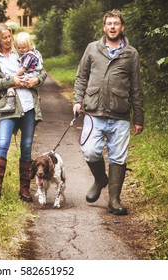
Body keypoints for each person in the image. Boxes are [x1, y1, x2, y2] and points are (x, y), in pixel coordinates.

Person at [72, 9, 144, 215]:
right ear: (104, 27)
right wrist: (78, 100)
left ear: (122, 27)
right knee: (89, 150)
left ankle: (114, 200)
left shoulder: (131, 54)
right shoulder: (92, 49)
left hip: (120, 112)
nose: (112, 27)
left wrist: (138, 117)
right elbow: (81, 77)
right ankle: (100, 178)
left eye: (116, 23)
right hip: (94, 110)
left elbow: (136, 88)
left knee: (118, 157)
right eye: (109, 23)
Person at [0, 23, 47, 201]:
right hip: (7, 107)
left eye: (9, 36)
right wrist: (11, 81)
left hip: (28, 105)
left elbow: (42, 73)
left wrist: (36, 80)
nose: (8, 40)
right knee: (2, 143)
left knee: (26, 147)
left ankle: (24, 190)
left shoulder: (21, 50)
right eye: (4, 38)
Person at [0, 31, 43, 113]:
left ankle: (10, 104)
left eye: (23, 47)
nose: (21, 50)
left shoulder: (29, 56)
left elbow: (23, 69)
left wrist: (13, 78)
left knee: (11, 87)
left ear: (29, 45)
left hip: (29, 76)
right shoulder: (34, 52)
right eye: (18, 48)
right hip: (31, 74)